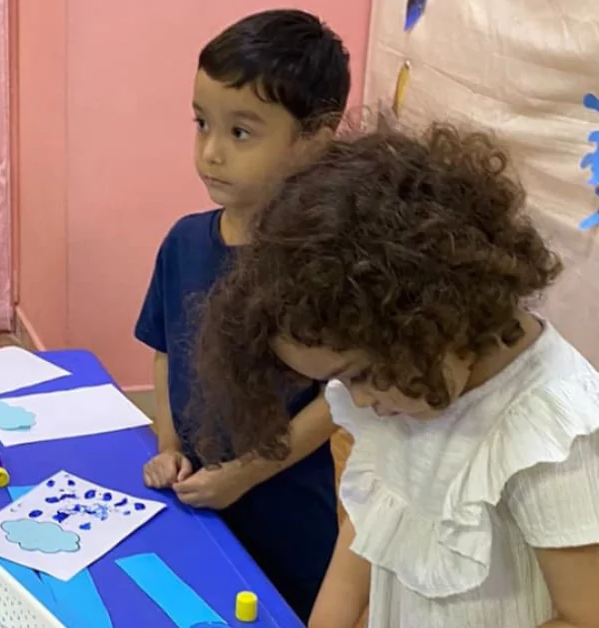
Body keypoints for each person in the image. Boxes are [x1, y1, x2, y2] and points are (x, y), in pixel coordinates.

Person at [195, 123, 599, 628]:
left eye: (359, 374)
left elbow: (587, 617)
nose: (357, 402)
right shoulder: (406, 393)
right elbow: (369, 528)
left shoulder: (555, 435)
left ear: (433, 313)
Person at [134, 9, 349, 620]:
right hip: (193, 500)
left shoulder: (321, 262)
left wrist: (247, 475)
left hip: (284, 516)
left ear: (316, 136)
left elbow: (341, 399)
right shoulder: (183, 242)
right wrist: (169, 444)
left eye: (241, 133)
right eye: (202, 124)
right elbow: (166, 350)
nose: (211, 153)